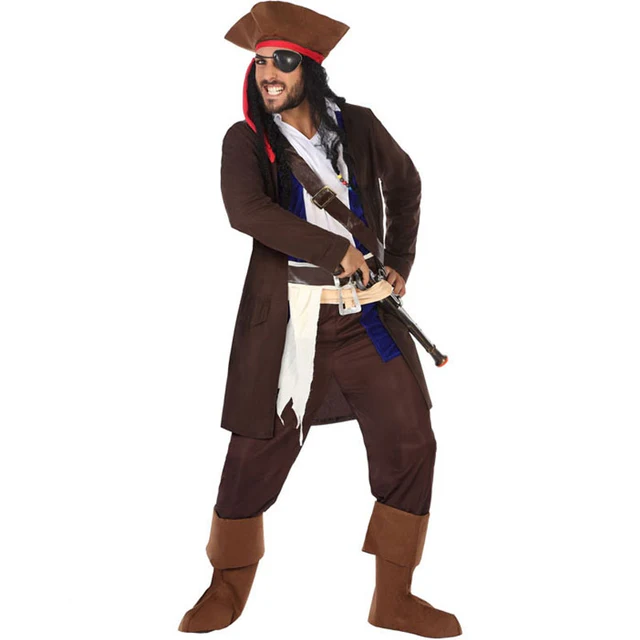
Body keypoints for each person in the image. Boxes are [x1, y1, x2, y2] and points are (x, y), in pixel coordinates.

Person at [178, 2, 462, 637]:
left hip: (367, 321)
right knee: (254, 454)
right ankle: (226, 587)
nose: (267, 73)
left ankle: (394, 598)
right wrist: (338, 251)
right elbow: (247, 211)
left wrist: (399, 262)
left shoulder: (357, 125)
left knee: (412, 442)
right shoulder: (246, 141)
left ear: (308, 67)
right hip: (290, 323)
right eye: (260, 62)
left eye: (281, 61)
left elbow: (407, 184)